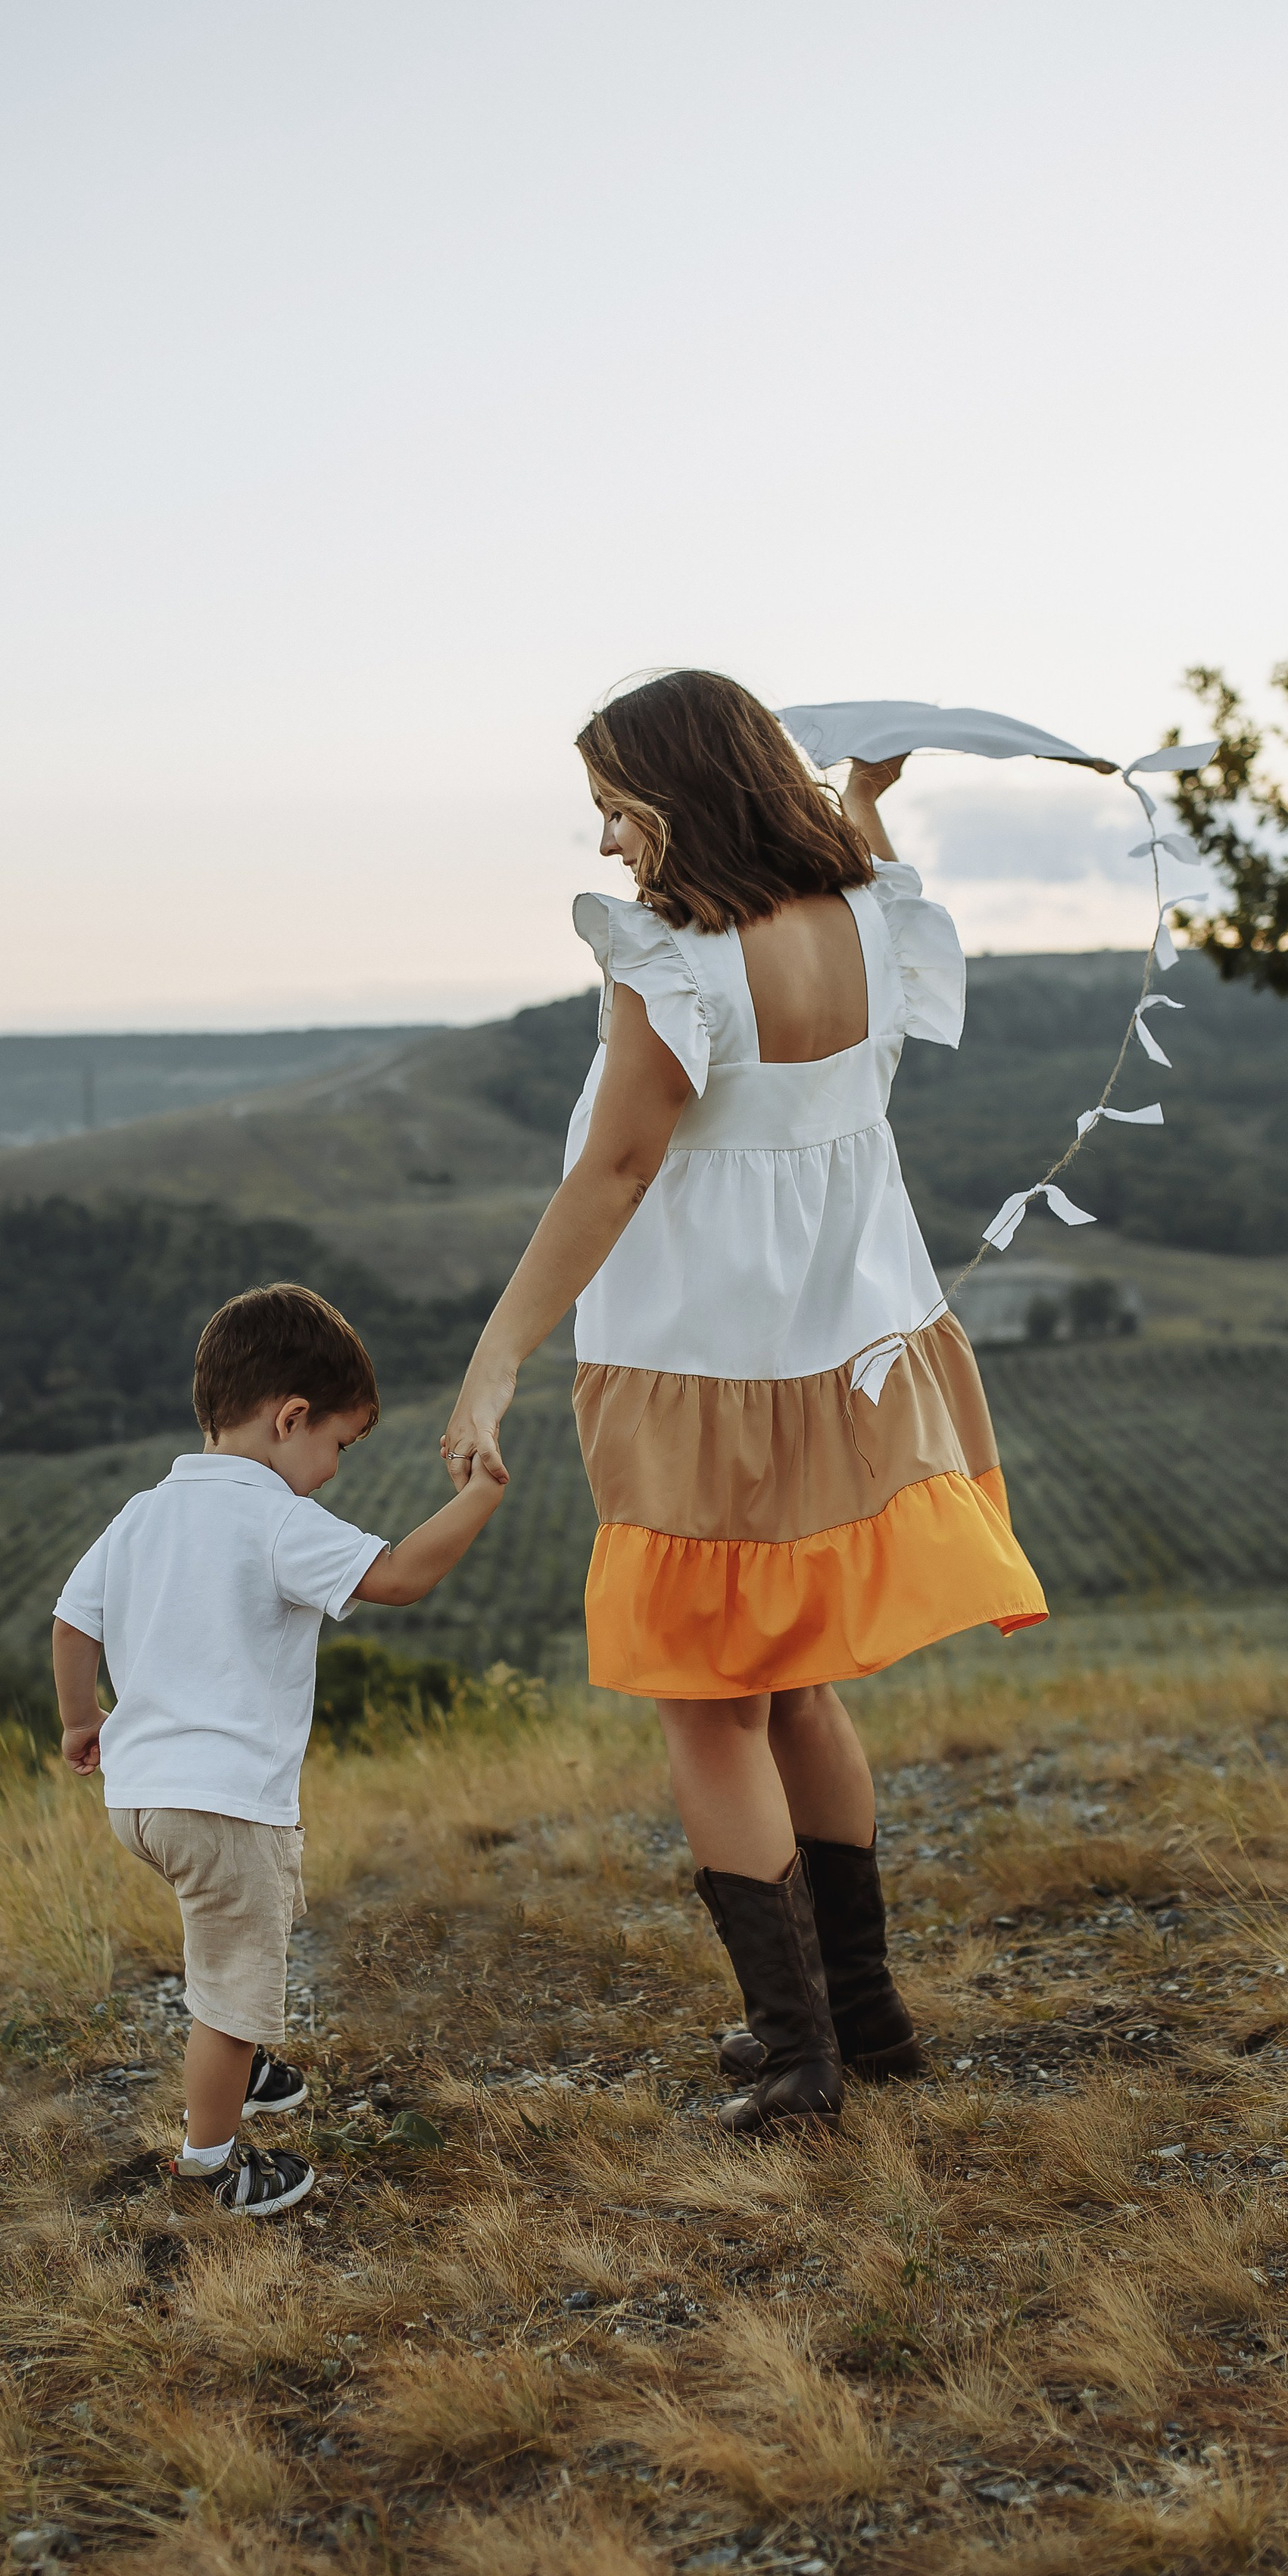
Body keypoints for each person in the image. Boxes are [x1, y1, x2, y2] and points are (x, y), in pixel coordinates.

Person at [441, 671, 1045, 2135]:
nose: (605, 849)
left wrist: (498, 1351)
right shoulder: (866, 913)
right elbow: (844, 945)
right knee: (800, 1687)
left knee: (709, 1706)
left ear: (681, 797)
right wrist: (866, 807)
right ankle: (868, 2018)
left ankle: (798, 2065)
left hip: (704, 1372)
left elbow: (617, 1174)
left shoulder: (671, 959)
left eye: (615, 812)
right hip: (849, 1356)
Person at [53, 1281, 506, 2216]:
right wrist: (481, 1494)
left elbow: (71, 1621)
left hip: (141, 1797)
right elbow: (400, 1577)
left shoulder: (142, 1511)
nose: (334, 1469)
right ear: (289, 1417)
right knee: (233, 1988)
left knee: (241, 1919)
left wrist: (80, 1721)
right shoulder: (274, 1518)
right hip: (221, 1802)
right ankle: (213, 2165)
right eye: (336, 1444)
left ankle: (243, 2068)